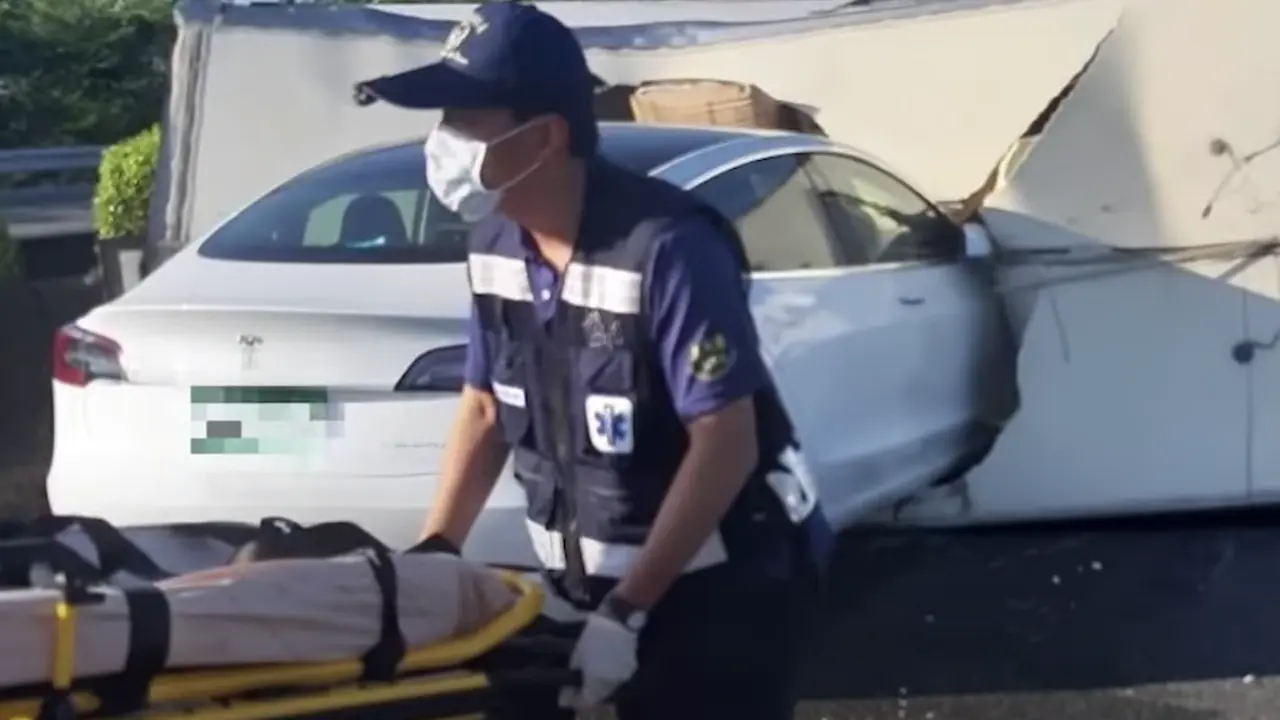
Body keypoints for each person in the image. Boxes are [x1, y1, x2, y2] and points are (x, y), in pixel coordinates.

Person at [355, 2, 834, 717]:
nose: (443, 141)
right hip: (580, 588)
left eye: (464, 120)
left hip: (720, 591)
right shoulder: (495, 244)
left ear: (545, 136)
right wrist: (437, 549)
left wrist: (628, 611)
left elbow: (725, 440)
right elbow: (484, 406)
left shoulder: (668, 248)